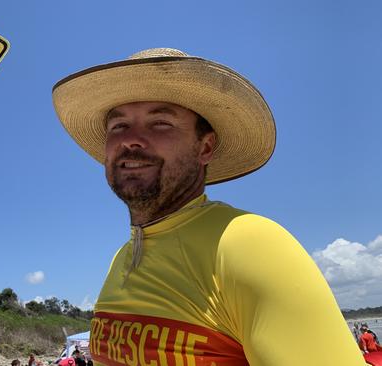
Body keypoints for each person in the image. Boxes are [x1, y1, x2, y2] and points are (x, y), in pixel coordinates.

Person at [52, 48, 365, 365]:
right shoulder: (121, 259)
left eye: (160, 123)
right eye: (118, 126)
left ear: (205, 147)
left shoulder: (249, 244)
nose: (131, 139)